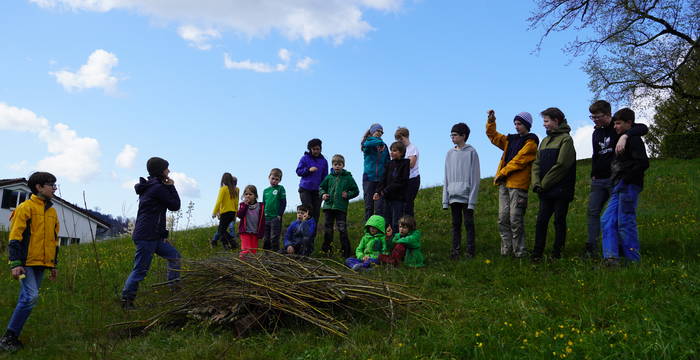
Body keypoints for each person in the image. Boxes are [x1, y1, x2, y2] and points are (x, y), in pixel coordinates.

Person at [0, 172, 59, 352]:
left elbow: (54, 241)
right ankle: (8, 338)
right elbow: (15, 237)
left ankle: (12, 337)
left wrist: (53, 264)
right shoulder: (25, 208)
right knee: (31, 297)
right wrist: (15, 263)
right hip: (25, 263)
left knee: (26, 298)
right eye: (51, 184)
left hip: (42, 264)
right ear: (39, 187)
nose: (54, 188)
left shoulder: (53, 211)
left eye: (55, 184)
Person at [585, 100, 649, 257]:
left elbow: (642, 128)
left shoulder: (621, 127)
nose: (594, 120)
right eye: (592, 117)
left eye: (597, 116)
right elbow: (595, 154)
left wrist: (625, 136)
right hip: (604, 179)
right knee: (601, 216)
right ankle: (604, 253)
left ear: (608, 115)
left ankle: (629, 255)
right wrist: (593, 172)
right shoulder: (597, 132)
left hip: (622, 180)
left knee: (623, 220)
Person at [121, 157, 181, 310]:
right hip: (147, 236)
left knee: (174, 256)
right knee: (140, 269)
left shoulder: (152, 186)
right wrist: (172, 186)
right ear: (160, 171)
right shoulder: (157, 188)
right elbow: (175, 205)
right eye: (167, 168)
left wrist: (162, 236)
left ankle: (174, 290)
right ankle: (126, 301)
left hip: (154, 236)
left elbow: (156, 215)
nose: (169, 171)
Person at [486, 110, 539, 258]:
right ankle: (506, 250)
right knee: (503, 218)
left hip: (518, 185)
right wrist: (491, 121)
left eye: (520, 124)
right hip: (504, 184)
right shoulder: (510, 140)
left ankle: (520, 252)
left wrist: (502, 172)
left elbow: (519, 161)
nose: (516, 126)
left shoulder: (531, 142)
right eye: (515, 123)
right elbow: (493, 136)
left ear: (527, 125)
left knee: (515, 218)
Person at [601, 108, 649, 264]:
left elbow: (643, 163)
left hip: (629, 185)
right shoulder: (620, 136)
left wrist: (626, 179)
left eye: (619, 123)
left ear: (629, 123)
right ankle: (611, 258)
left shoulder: (633, 139)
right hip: (617, 185)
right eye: (614, 123)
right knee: (607, 219)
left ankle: (633, 260)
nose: (615, 126)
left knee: (625, 221)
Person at [531, 108, 576, 261]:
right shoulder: (544, 141)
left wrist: (544, 183)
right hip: (545, 190)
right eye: (544, 121)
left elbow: (562, 165)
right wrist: (536, 183)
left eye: (546, 121)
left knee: (559, 220)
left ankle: (557, 253)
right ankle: (537, 254)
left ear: (556, 121)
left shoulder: (566, 139)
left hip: (561, 189)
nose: (544, 124)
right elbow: (536, 163)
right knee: (541, 221)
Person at [443, 123, 481, 259]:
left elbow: (475, 177)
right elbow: (446, 177)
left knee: (469, 224)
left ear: (463, 136)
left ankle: (470, 251)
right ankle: (455, 251)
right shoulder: (449, 153)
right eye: (451, 135)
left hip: (466, 196)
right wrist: (445, 200)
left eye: (455, 135)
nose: (452, 138)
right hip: (453, 196)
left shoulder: (472, 152)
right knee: (455, 224)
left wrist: (472, 201)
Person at [319, 154, 360, 258]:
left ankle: (346, 252)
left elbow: (356, 190)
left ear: (343, 165)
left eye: (339, 164)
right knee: (328, 229)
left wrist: (348, 195)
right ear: (332, 165)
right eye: (335, 164)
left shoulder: (348, 177)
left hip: (341, 208)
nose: (337, 166)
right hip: (328, 207)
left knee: (342, 229)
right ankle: (326, 251)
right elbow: (321, 187)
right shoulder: (329, 177)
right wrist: (323, 194)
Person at [374, 141, 410, 232]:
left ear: (401, 152)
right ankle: (388, 243)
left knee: (396, 222)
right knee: (387, 222)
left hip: (398, 199)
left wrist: (386, 190)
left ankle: (397, 244)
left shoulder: (405, 164)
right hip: (387, 198)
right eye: (391, 151)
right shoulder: (389, 164)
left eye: (394, 151)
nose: (391, 153)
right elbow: (383, 179)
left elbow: (401, 181)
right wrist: (378, 191)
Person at [296, 138, 328, 233]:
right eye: (314, 149)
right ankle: (301, 233)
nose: (316, 151)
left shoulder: (324, 161)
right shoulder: (305, 158)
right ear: (310, 149)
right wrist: (308, 170)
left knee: (316, 213)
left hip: (317, 191)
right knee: (307, 209)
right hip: (305, 189)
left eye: (318, 149)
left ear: (320, 149)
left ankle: (311, 239)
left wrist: (324, 190)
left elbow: (325, 177)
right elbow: (298, 171)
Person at [361, 123, 390, 220]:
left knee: (380, 207)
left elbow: (387, 161)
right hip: (369, 178)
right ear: (372, 131)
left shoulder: (384, 146)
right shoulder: (368, 142)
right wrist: (379, 142)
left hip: (381, 179)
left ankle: (379, 230)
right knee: (369, 206)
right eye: (378, 131)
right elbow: (367, 144)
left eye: (382, 132)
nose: (380, 133)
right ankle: (368, 231)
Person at [395, 127, 420, 216]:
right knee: (401, 206)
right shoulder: (400, 150)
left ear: (406, 136)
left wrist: (398, 162)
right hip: (402, 180)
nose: (400, 141)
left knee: (408, 205)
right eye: (398, 139)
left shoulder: (412, 148)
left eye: (401, 138)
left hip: (412, 179)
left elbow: (411, 164)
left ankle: (410, 227)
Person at [211, 173, 239, 250]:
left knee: (221, 230)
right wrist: (235, 214)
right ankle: (226, 245)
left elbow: (218, 201)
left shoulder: (223, 189)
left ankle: (232, 242)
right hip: (232, 213)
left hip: (225, 213)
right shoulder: (236, 189)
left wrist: (214, 212)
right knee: (222, 230)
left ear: (223, 180)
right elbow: (236, 202)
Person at [263, 168, 287, 251]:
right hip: (266, 218)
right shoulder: (265, 191)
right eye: (273, 178)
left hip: (275, 218)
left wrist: (279, 214)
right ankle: (266, 256)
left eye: (277, 179)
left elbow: (283, 203)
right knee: (266, 238)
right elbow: (264, 204)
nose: (274, 181)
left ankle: (275, 255)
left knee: (274, 237)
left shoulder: (280, 188)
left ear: (280, 180)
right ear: (269, 177)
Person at [237, 185, 265, 257]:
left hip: (255, 232)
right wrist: (245, 205)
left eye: (250, 194)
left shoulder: (260, 206)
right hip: (245, 231)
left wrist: (261, 233)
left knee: (253, 251)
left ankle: (251, 265)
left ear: (255, 196)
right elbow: (240, 215)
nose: (248, 196)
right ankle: (242, 262)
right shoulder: (243, 205)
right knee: (246, 249)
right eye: (246, 194)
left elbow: (262, 220)